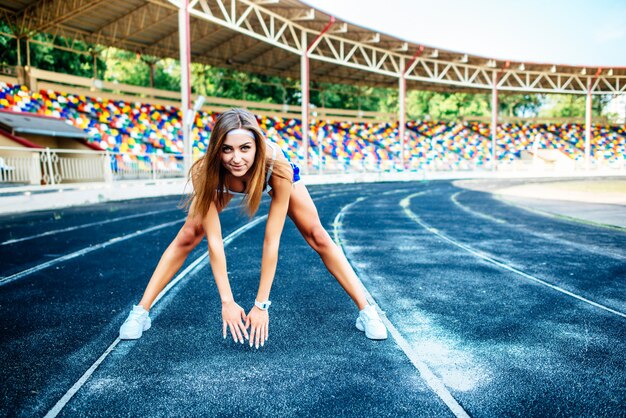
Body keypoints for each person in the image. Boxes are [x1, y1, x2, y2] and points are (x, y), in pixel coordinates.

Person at [119, 108, 387, 347]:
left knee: (317, 235)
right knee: (188, 235)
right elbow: (215, 242)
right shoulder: (205, 172)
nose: (236, 158)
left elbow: (272, 240)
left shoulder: (278, 168)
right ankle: (141, 312)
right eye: (227, 149)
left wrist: (261, 305)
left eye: (245, 148)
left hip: (269, 176)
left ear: (257, 146)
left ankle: (367, 311)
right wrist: (227, 301)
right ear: (217, 149)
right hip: (221, 183)